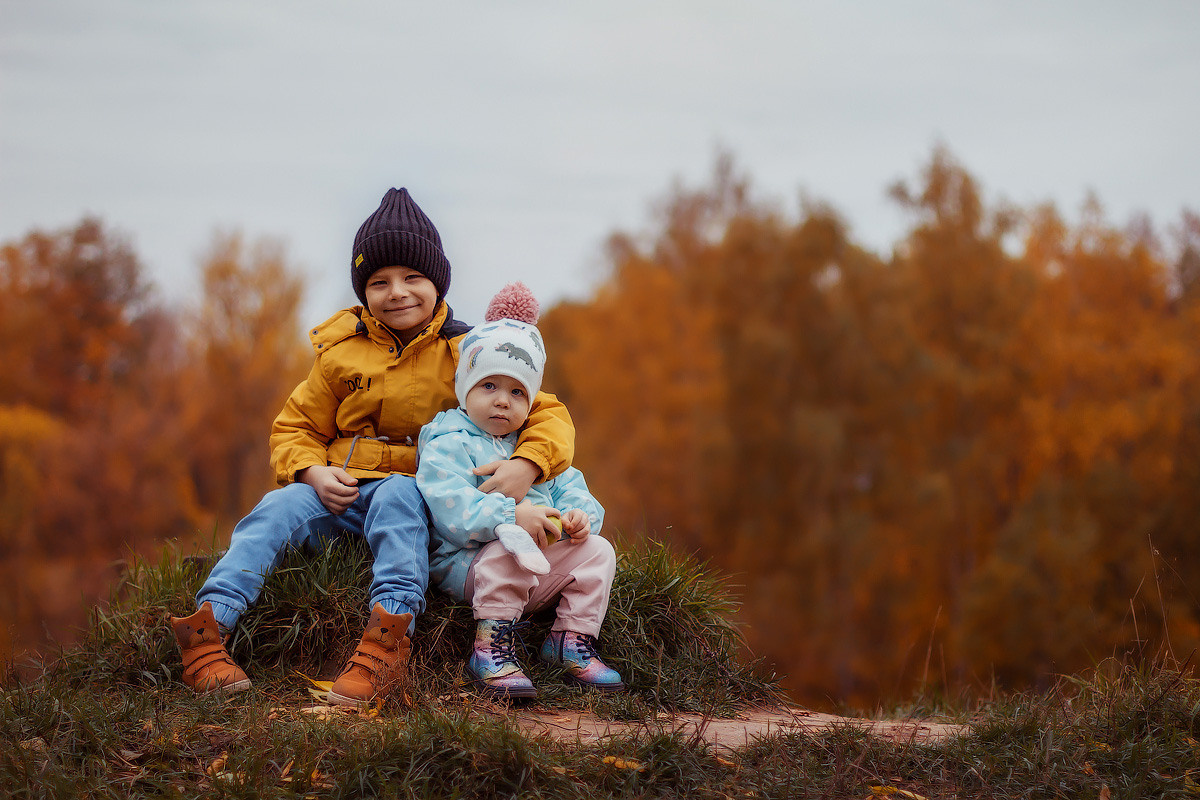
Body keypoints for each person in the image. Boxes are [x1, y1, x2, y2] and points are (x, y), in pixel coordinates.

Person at [169, 188, 575, 707]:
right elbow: (295, 427)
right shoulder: (339, 354)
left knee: (399, 497)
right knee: (275, 509)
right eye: (379, 282)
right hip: (340, 488)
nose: (396, 292)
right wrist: (311, 473)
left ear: (438, 282)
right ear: (363, 290)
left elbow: (547, 412)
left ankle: (386, 643)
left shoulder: (470, 352)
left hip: (421, 494)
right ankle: (208, 630)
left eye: (412, 278)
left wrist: (527, 463)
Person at [416, 282, 624, 699]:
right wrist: (511, 517)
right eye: (488, 386)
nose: (502, 401)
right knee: (508, 549)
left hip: (536, 566)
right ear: (464, 388)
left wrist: (578, 517)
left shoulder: (531, 445)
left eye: (516, 392)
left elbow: (570, 485)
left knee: (599, 551)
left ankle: (569, 641)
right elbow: (451, 513)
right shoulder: (448, 442)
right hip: (470, 565)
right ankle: (490, 647)